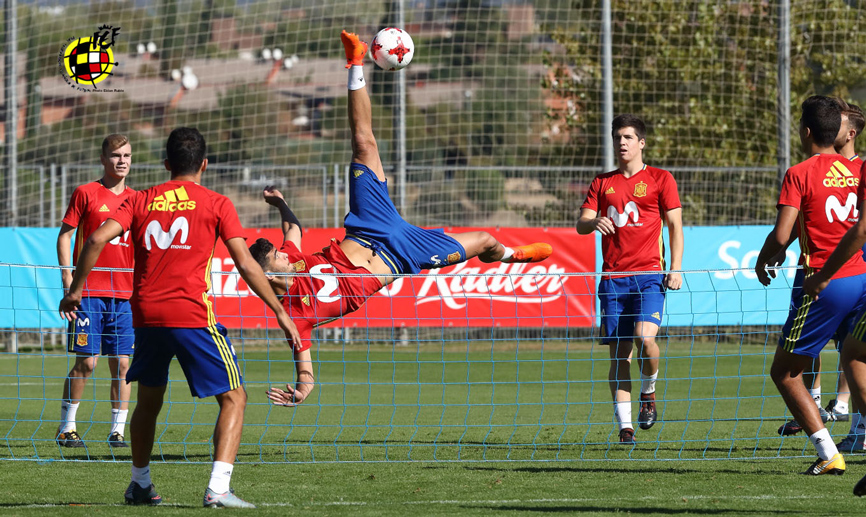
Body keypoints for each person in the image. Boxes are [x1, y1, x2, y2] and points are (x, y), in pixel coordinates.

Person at [256, 30, 553, 406]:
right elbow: (305, 367)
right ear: (269, 276)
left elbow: (293, 229)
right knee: (484, 241)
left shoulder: (292, 259)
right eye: (278, 258)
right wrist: (302, 389)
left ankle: (355, 61)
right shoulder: (293, 317)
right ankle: (512, 256)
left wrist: (280, 203)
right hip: (400, 255)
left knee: (363, 144)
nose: (285, 255)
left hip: (369, 226)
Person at [59, 127, 301, 508]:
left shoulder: (140, 199)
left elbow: (94, 240)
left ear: (166, 163)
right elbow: (245, 264)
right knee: (235, 397)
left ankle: (140, 484)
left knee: (148, 401)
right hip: (191, 314)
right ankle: (218, 488)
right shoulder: (217, 203)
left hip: (146, 315)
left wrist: (75, 290)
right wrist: (280, 311)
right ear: (204, 164)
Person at [754, 95, 866, 476]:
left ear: (805, 132)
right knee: (855, 359)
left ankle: (828, 453)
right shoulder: (856, 170)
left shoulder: (799, 173)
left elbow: (781, 234)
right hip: (861, 277)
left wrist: (764, 258)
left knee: (785, 373)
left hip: (825, 283)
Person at [576, 114, 684, 444]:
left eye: (628, 137)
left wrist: (676, 268)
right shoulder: (602, 182)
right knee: (620, 355)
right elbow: (581, 223)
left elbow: (675, 226)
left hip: (649, 276)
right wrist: (593, 223)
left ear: (641, 143)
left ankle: (648, 393)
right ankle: (625, 428)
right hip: (612, 281)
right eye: (617, 137)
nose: (621, 143)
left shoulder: (661, 179)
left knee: (645, 339)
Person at [55, 134, 135, 449]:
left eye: (127, 155)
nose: (122, 161)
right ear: (103, 159)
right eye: (116, 155)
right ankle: (67, 428)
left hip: (124, 296)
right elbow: (65, 236)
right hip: (87, 293)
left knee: (123, 365)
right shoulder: (86, 193)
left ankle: (117, 432)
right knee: (87, 362)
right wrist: (68, 278)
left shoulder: (138, 199)